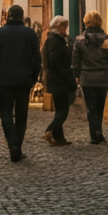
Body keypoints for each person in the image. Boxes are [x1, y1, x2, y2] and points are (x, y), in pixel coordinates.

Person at [0, 4, 41, 162]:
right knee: (22, 115)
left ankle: (13, 143)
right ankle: (17, 146)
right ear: (22, 16)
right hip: (24, 80)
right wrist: (32, 78)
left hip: (4, 80)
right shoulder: (30, 34)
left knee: (6, 114)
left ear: (8, 16)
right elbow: (36, 60)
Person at [72, 10, 108, 145]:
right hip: (102, 76)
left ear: (86, 22)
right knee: (100, 106)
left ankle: (94, 134)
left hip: (87, 77)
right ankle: (99, 131)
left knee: (91, 107)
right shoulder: (106, 40)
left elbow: (75, 60)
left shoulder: (79, 40)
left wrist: (76, 75)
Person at [41, 16, 74, 146]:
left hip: (58, 79)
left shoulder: (58, 40)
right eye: (64, 26)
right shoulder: (54, 41)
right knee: (63, 110)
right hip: (59, 80)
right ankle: (49, 131)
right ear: (58, 27)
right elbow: (54, 61)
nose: (65, 29)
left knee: (60, 109)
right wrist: (66, 73)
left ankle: (59, 138)